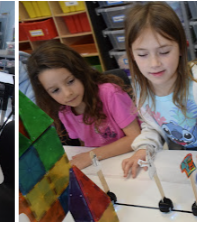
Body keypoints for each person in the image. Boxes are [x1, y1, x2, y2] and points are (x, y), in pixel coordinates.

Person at [120, 2, 197, 178]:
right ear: (132, 55)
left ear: (182, 47)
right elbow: (152, 126)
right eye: (142, 55)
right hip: (186, 155)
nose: (154, 64)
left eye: (164, 52)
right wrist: (144, 148)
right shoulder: (142, 88)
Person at [26, 41, 140, 170]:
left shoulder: (110, 93)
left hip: (130, 158)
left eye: (70, 81)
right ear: (46, 94)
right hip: (102, 164)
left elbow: (135, 137)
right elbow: (84, 145)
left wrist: (91, 155)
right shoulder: (64, 110)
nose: (68, 93)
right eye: (55, 90)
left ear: (80, 72)